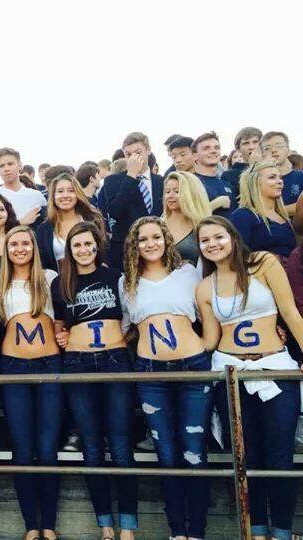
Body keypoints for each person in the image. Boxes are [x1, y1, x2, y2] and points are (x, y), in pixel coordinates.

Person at [196, 216, 303, 540]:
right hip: (232, 374)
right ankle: (255, 530)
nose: (213, 244)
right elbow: (210, 340)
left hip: (275, 368)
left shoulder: (263, 264)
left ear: (232, 236)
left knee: (280, 456)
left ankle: (282, 531)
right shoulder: (205, 286)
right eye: (205, 241)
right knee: (246, 457)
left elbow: (291, 313)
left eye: (218, 237)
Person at [120, 216, 211, 540]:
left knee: (194, 452)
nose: (150, 244)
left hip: (192, 369)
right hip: (151, 374)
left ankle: (197, 531)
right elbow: (126, 329)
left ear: (166, 239)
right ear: (135, 245)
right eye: (142, 239)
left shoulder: (188, 273)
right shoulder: (127, 281)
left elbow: (208, 315)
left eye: (156, 237)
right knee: (167, 454)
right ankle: (177, 531)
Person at [51, 222, 137, 540]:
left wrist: (120, 340)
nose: (84, 250)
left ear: (97, 246)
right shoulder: (61, 283)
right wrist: (64, 337)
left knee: (120, 443)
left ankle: (127, 526)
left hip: (114, 360)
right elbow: (59, 325)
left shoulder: (115, 276)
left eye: (89, 244)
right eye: (78, 246)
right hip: (78, 363)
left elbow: (132, 317)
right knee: (91, 445)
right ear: (70, 250)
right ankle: (105, 524)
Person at [0, 226, 60, 540]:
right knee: (22, 448)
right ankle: (31, 525)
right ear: (6, 250)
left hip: (49, 366)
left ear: (34, 246)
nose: (19, 248)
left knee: (47, 449)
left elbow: (65, 318)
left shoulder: (49, 278)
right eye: (13, 244)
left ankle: (49, 524)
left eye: (25, 243)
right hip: (14, 368)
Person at [100, 132, 165, 270]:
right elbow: (116, 212)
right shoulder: (112, 181)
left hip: (158, 251)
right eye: (128, 154)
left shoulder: (161, 181)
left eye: (138, 152)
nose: (134, 157)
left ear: (148, 151)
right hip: (127, 253)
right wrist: (131, 176)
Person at [36, 173, 105, 271]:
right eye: (60, 191)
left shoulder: (93, 219)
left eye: (71, 191)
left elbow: (104, 253)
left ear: (77, 194)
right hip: (59, 283)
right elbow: (43, 264)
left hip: (92, 282)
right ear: (53, 196)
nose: (65, 195)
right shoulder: (43, 230)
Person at [230, 160, 295, 262]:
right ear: (255, 183)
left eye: (280, 177)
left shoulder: (284, 217)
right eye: (272, 177)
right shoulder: (243, 216)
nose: (280, 181)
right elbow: (238, 257)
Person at [0, 148, 47, 227]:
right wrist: (20, 222)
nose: (6, 169)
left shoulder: (37, 196)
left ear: (20, 166)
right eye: (2, 166)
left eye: (10, 164)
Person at [162, 172, 212, 264]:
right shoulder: (158, 225)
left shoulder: (204, 226)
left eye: (177, 191)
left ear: (191, 194)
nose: (170, 196)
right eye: (167, 191)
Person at [192, 132, 236, 220]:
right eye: (206, 148)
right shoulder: (189, 183)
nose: (213, 151)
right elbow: (185, 218)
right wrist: (215, 204)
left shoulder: (227, 185)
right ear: (194, 156)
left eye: (217, 147)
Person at [260, 131, 303, 216]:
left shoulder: (301, 176)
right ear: (262, 155)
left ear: (289, 151)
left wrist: (272, 211)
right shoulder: (258, 179)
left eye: (279, 146)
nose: (273, 150)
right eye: (267, 148)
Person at [222, 127, 263, 198]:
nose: (251, 147)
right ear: (238, 148)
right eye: (246, 143)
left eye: (255, 142)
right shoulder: (229, 175)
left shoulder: (274, 168)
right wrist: (252, 167)